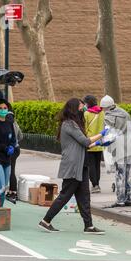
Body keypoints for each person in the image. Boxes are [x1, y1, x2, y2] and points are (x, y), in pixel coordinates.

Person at [38, 98, 109, 234]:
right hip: (73, 166)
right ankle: (45, 221)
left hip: (81, 165)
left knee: (84, 197)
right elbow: (85, 141)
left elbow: (83, 144)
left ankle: (89, 226)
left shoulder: (74, 123)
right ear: (74, 108)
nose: (83, 108)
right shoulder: (69, 124)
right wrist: (101, 134)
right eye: (81, 106)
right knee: (65, 195)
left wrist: (99, 144)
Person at [100, 95, 131, 208]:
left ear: (106, 107)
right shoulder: (124, 112)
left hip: (119, 147)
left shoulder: (108, 117)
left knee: (120, 173)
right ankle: (130, 198)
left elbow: (108, 135)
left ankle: (120, 200)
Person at [83, 95, 105, 194]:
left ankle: (94, 185)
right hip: (99, 143)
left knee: (91, 165)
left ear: (88, 103)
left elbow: (84, 128)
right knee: (97, 165)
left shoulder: (86, 114)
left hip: (90, 142)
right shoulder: (102, 112)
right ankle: (97, 184)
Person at [5, 117, 23, 204]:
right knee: (12, 170)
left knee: (9, 170)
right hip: (16, 148)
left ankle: (12, 191)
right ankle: (13, 191)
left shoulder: (5, 124)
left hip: (10, 149)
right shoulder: (15, 123)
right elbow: (21, 136)